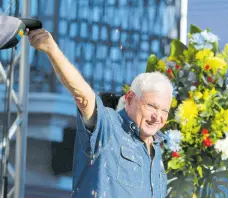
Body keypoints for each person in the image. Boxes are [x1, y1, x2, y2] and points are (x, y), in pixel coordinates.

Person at [27, 28, 173, 198]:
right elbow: (83, 96)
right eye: (151, 106)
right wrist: (52, 50)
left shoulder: (157, 150)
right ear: (130, 98)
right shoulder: (109, 127)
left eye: (164, 111)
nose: (158, 117)